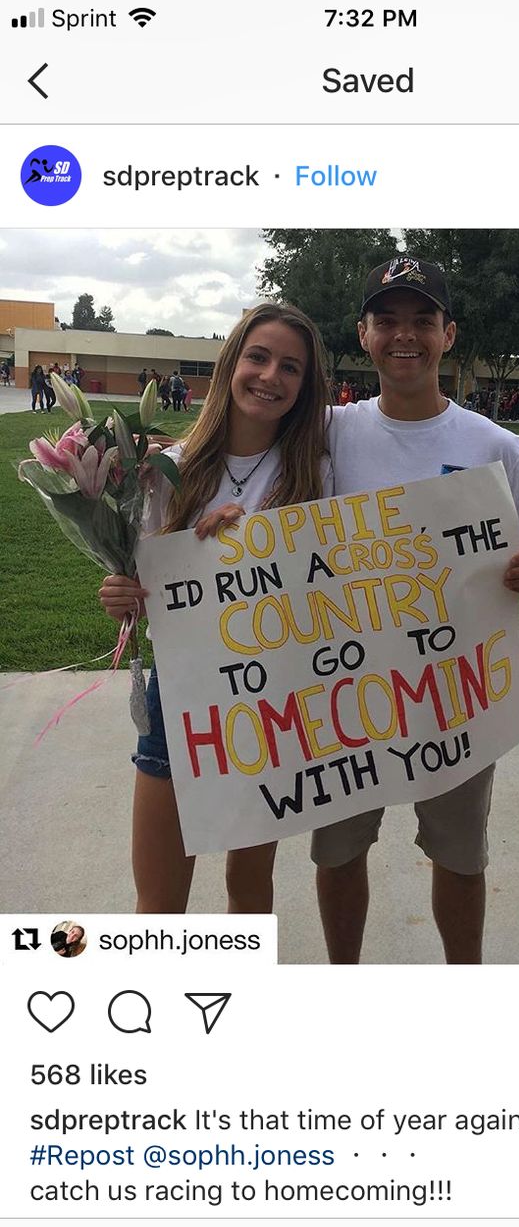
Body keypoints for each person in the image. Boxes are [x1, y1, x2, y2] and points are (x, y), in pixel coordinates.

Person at [312, 257, 519, 965]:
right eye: (387, 319)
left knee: (459, 855)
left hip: (453, 693)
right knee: (337, 851)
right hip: (346, 688)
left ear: (448, 333)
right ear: (363, 333)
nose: (404, 334)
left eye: (422, 319)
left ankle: (464, 989)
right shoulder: (327, 433)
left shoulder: (495, 446)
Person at [98, 303, 334, 915]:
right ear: (232, 363)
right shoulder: (164, 470)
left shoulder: (316, 475)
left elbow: (331, 591)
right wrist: (123, 596)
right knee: (158, 899)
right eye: (258, 357)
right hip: (180, 698)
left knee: (250, 890)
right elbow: (150, 598)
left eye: (291, 367)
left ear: (305, 387)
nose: (270, 376)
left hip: (269, 701)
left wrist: (254, 541)